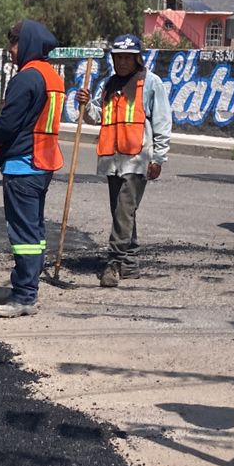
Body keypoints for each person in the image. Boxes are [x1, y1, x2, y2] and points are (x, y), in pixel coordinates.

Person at [0, 19, 64, 318]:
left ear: (26, 43)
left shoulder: (27, 78)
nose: (11, 51)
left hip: (23, 165)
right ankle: (28, 286)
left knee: (23, 233)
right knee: (35, 231)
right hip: (43, 164)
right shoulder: (52, 76)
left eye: (14, 44)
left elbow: (8, 123)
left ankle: (25, 296)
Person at [75, 33, 171, 287]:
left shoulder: (150, 83)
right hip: (112, 160)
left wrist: (159, 157)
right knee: (121, 212)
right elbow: (98, 116)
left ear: (137, 58)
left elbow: (162, 121)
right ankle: (130, 263)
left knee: (124, 210)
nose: (124, 62)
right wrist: (85, 105)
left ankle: (114, 262)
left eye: (128, 57)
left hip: (138, 159)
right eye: (119, 58)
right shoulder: (109, 85)